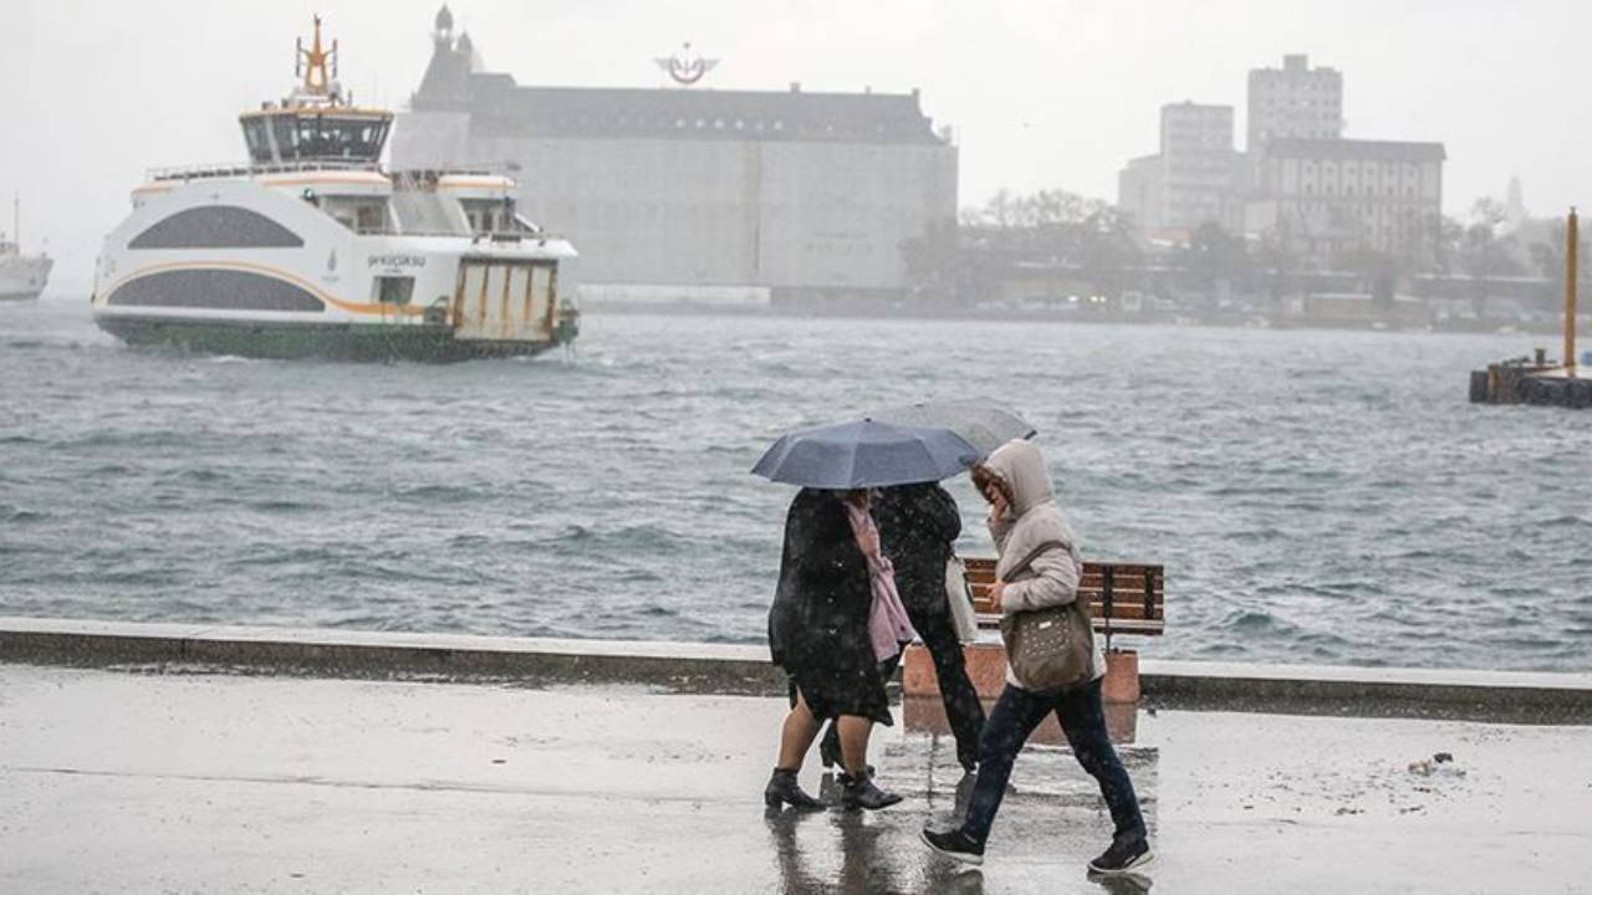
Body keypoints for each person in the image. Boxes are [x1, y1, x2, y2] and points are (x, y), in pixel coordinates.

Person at [921, 440, 1152, 874]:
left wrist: (1011, 595)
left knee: (999, 744)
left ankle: (973, 838)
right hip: (1063, 665)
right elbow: (1022, 558)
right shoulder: (1031, 519)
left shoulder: (1044, 523)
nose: (991, 495)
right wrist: (998, 525)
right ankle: (1131, 834)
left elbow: (1063, 584)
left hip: (1048, 664)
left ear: (1019, 482)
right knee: (1091, 750)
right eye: (987, 488)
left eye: (996, 486)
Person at [765, 487, 913, 811]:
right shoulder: (816, 504)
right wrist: (855, 550)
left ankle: (783, 779)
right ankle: (856, 782)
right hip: (819, 622)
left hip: (832, 621)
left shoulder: (854, 505)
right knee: (858, 701)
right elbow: (808, 562)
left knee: (812, 704)